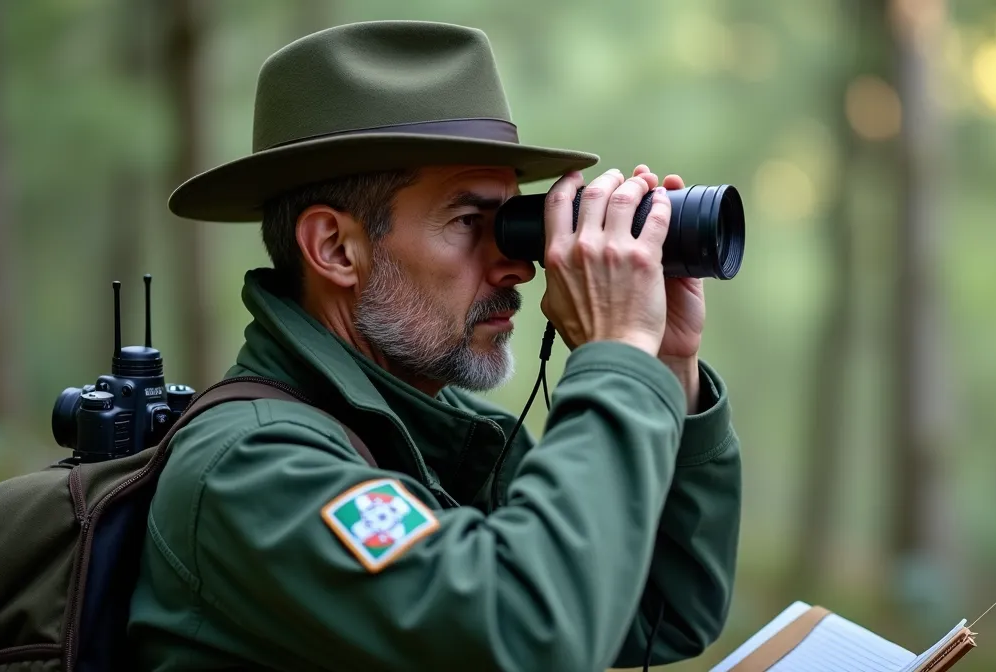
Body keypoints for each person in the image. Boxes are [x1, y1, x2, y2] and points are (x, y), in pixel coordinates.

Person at [127, 19, 742, 672]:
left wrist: (666, 365)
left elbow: (664, 611)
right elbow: (525, 634)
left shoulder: (443, 439)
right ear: (336, 249)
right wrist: (614, 357)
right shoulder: (252, 469)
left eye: (514, 223)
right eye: (470, 222)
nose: (519, 266)